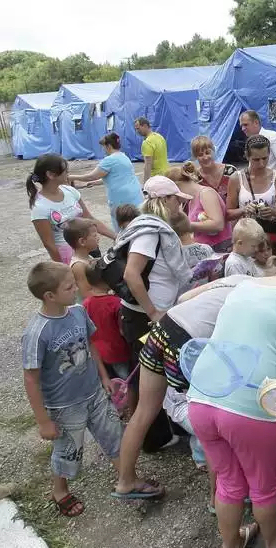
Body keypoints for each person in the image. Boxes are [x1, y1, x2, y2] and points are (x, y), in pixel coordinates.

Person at [187, 249, 276, 548]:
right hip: (251, 404)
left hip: (202, 395)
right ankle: (275, 546)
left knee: (228, 481)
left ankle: (230, 546)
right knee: (263, 485)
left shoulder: (243, 285)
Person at [113, 271, 258, 500]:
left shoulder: (237, 278)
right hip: (186, 343)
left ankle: (125, 481)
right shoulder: (258, 295)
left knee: (143, 412)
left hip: (162, 329)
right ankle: (216, 497)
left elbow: (183, 299)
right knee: (210, 418)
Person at [21, 262, 122, 517]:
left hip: (95, 393)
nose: (76, 288)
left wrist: (104, 377)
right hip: (65, 406)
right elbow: (31, 379)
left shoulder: (77, 311)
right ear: (50, 296)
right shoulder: (37, 332)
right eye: (69, 286)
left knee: (114, 433)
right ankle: (60, 490)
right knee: (69, 449)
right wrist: (43, 421)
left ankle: (127, 477)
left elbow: (91, 344)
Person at [117, 176, 193, 453]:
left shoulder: (142, 226)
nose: (180, 206)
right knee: (147, 377)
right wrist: (154, 311)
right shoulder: (149, 232)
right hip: (143, 317)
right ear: (164, 201)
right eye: (176, 200)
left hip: (140, 314)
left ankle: (158, 432)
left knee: (146, 374)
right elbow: (131, 274)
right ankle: (153, 437)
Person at [27, 154, 115, 264]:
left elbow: (90, 219)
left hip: (89, 247)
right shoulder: (40, 207)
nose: (68, 173)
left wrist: (116, 236)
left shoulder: (70, 191)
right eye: (65, 170)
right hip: (68, 257)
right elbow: (49, 244)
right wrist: (62, 269)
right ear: (50, 174)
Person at [228, 135, 276, 255]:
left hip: (269, 237)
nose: (261, 164)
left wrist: (273, 212)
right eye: (256, 160)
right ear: (247, 156)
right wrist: (244, 210)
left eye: (265, 158)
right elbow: (229, 214)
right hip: (245, 238)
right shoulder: (237, 178)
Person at [67, 132, 144, 231]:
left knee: (123, 227)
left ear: (108, 146)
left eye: (103, 147)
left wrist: (71, 177)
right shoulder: (124, 157)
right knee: (136, 224)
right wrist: (95, 183)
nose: (103, 150)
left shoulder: (109, 160)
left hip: (121, 199)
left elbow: (91, 176)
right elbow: (115, 176)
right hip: (134, 195)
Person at [166, 163, 232, 253]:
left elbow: (218, 225)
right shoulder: (190, 201)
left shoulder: (206, 193)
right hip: (207, 249)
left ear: (177, 185)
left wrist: (186, 226)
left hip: (219, 249)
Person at [84, 262, 132, 381]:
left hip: (98, 352)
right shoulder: (116, 303)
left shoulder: (86, 303)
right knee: (126, 380)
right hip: (117, 352)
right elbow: (122, 331)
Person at [239, 110, 276, 178]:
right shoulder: (250, 141)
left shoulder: (274, 137)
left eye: (246, 125)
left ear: (256, 122)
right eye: (241, 126)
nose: (243, 129)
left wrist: (275, 183)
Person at [191, 135, 240, 205]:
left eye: (207, 153)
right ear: (195, 157)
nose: (205, 157)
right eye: (200, 155)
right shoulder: (195, 178)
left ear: (213, 151)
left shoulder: (230, 171)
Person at [63, 218, 100, 302]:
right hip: (87, 308)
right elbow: (86, 293)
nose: (98, 237)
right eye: (94, 235)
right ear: (82, 241)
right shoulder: (78, 266)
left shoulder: (88, 257)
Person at [134, 117, 169, 184]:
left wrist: (145, 184)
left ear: (145, 126)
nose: (137, 131)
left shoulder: (147, 142)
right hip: (166, 175)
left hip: (155, 179)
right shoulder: (160, 137)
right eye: (136, 129)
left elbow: (148, 165)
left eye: (138, 128)